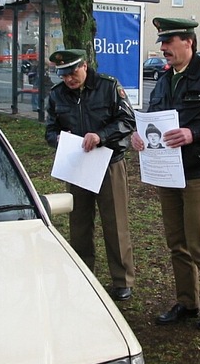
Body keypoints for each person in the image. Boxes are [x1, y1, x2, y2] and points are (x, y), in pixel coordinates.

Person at [131, 17, 200, 330]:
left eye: (169, 43)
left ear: (188, 43)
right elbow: (154, 118)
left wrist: (194, 133)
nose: (164, 49)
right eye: (162, 43)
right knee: (176, 241)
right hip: (167, 171)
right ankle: (187, 301)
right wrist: (139, 136)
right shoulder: (165, 80)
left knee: (198, 241)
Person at [45, 48, 136, 301]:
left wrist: (101, 136)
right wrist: (64, 141)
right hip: (77, 165)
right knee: (79, 224)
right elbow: (50, 129)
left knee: (115, 223)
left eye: (72, 73)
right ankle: (84, 274)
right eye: (63, 75)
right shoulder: (57, 95)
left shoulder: (108, 86)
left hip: (109, 162)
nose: (69, 80)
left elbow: (127, 120)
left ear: (85, 66)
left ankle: (122, 280)